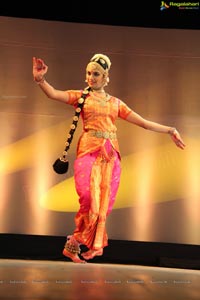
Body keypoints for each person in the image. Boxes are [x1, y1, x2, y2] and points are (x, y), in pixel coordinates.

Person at [32, 53, 186, 263]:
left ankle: (73, 244)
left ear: (105, 77)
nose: (91, 77)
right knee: (88, 199)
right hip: (88, 152)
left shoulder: (115, 103)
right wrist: (40, 80)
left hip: (110, 157)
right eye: (88, 73)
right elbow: (54, 94)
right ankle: (75, 242)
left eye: (96, 73)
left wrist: (171, 130)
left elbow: (144, 123)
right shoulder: (81, 96)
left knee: (103, 205)